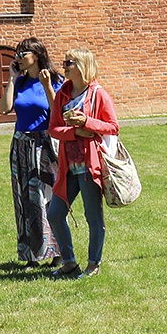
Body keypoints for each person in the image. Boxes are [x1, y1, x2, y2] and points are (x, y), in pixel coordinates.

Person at [47, 49, 119, 279]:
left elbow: (113, 126)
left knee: (93, 216)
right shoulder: (63, 94)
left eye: (69, 63)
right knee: (55, 213)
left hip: (90, 166)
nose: (64, 66)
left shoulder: (98, 94)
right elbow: (53, 128)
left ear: (82, 66)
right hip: (68, 166)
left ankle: (93, 264)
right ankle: (69, 263)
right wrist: (75, 130)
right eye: (65, 62)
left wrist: (88, 121)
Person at [0, 37, 65, 269]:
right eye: (17, 54)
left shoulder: (55, 80)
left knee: (46, 198)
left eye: (22, 54)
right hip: (20, 144)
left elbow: (59, 110)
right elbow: (4, 108)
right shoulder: (20, 82)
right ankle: (30, 255)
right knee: (23, 200)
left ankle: (57, 251)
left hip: (44, 145)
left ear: (35, 55)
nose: (17, 58)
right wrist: (11, 78)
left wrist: (47, 86)